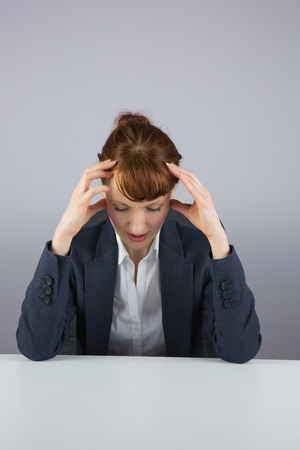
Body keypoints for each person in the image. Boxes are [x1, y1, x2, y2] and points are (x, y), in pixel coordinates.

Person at [16, 112, 261, 363]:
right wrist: (61, 239)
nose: (136, 227)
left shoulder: (199, 246)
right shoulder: (78, 246)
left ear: (172, 191)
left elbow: (239, 350)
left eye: (153, 208)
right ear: (103, 191)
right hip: (95, 393)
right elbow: (37, 347)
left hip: (182, 393)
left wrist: (218, 241)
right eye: (121, 208)